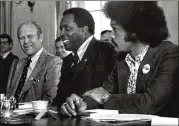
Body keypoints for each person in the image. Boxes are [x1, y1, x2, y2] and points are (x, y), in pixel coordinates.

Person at [60, 1, 179, 117]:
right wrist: (82, 103)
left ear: (134, 31)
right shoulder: (122, 59)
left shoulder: (169, 53)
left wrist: (106, 98)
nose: (111, 35)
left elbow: (149, 103)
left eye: (115, 29)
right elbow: (103, 91)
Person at [54, 8, 117, 110]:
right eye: (61, 29)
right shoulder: (68, 60)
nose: (61, 33)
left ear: (84, 30)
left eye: (67, 28)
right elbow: (60, 98)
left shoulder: (105, 50)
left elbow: (107, 91)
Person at [7, 21, 62, 103]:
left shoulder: (53, 62)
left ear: (40, 38)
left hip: (35, 115)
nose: (25, 42)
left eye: (29, 36)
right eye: (22, 38)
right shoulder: (19, 63)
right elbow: (9, 94)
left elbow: (51, 99)